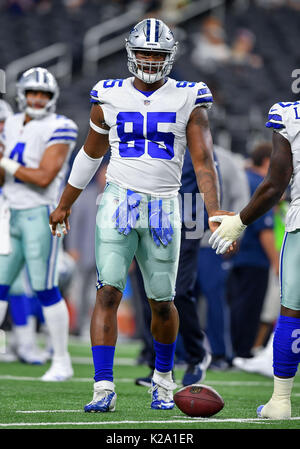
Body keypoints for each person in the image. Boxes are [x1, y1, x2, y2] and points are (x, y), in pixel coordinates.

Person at [49, 18, 228, 412]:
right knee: (108, 290)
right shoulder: (109, 94)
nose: (150, 60)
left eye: (158, 54)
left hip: (165, 204)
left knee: (163, 301)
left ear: (170, 57)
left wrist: (214, 211)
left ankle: (163, 380)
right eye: (145, 52)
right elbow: (91, 154)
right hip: (118, 201)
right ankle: (102, 387)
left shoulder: (188, 95)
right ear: (131, 53)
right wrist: (64, 203)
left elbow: (203, 161)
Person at [209, 99, 300, 419]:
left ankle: (281, 401)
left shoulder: (290, 114)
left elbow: (275, 184)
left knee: (292, 313)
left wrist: (237, 222)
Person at [0, 67, 77, 381]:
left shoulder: (62, 126)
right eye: (32, 92)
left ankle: (61, 360)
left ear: (52, 97)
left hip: (40, 213)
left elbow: (44, 177)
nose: (36, 98)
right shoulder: (13, 122)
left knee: (45, 288)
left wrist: (5, 162)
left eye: (42, 94)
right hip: (9, 212)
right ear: (21, 93)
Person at [226, 142, 279, 359]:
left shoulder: (243, 178)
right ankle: (243, 352)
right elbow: (264, 230)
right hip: (255, 257)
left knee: (236, 306)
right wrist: (277, 262)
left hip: (235, 254)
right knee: (250, 308)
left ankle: (233, 350)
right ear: (268, 161)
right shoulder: (260, 184)